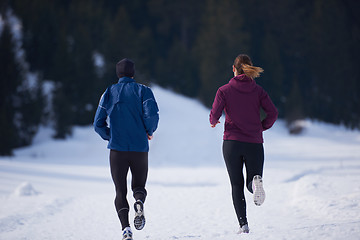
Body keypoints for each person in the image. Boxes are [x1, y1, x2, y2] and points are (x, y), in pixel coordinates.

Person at [209, 54, 278, 234]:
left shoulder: (223, 90)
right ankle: (255, 185)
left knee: (236, 185)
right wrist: (262, 127)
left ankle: (243, 225)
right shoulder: (259, 91)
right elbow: (273, 113)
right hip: (254, 142)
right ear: (249, 69)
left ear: (234, 69)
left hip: (231, 143)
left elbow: (215, 114)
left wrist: (213, 120)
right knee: (252, 179)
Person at [94, 58, 159, 240]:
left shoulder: (108, 92)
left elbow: (97, 124)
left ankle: (126, 229)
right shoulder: (144, 91)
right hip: (139, 148)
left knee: (120, 191)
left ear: (118, 74)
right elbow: (152, 115)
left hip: (117, 150)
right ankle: (139, 201)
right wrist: (149, 130)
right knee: (139, 186)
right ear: (133, 73)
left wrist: (110, 135)